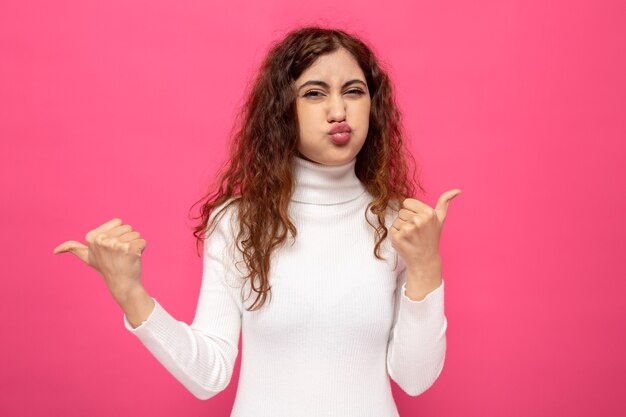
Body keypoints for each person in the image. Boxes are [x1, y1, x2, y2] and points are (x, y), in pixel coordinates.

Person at [53, 26, 461, 416]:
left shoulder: (401, 224)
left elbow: (415, 379)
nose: (339, 111)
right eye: (314, 93)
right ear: (284, 110)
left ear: (373, 104)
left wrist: (427, 266)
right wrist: (129, 293)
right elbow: (209, 374)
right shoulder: (237, 222)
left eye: (354, 91)